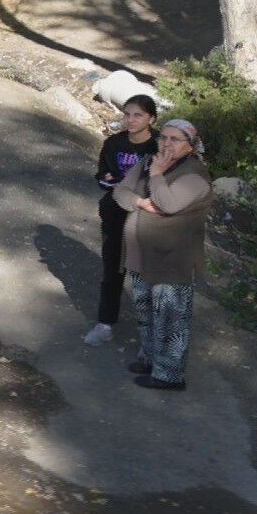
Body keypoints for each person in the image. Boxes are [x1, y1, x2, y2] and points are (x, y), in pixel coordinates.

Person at [113, 119, 212, 391]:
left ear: (190, 146)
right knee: (146, 312)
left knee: (170, 318)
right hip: (140, 254)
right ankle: (150, 359)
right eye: (163, 138)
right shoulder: (148, 160)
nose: (166, 144)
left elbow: (168, 203)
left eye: (175, 139)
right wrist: (139, 202)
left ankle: (169, 376)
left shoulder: (194, 176)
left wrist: (156, 174)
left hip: (171, 260)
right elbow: (120, 191)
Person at [84, 94, 159, 346]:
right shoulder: (113, 144)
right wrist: (108, 181)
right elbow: (103, 176)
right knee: (112, 270)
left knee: (146, 276)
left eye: (138, 115)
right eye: (127, 114)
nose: (131, 120)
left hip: (147, 219)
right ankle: (105, 323)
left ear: (151, 118)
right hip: (116, 214)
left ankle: (148, 338)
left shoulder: (159, 146)